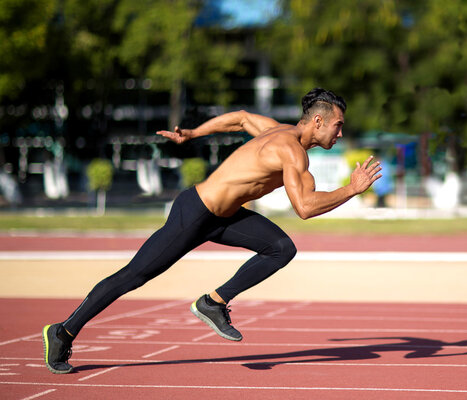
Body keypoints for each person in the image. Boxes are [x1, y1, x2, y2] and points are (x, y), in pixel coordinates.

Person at [42, 88, 382, 374]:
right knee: (134, 275)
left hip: (225, 216)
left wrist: (193, 133)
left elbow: (240, 117)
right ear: (318, 120)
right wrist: (352, 189)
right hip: (195, 213)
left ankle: (213, 302)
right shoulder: (289, 149)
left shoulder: (276, 130)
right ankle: (64, 331)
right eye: (337, 126)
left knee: (281, 247)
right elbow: (305, 208)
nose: (339, 134)